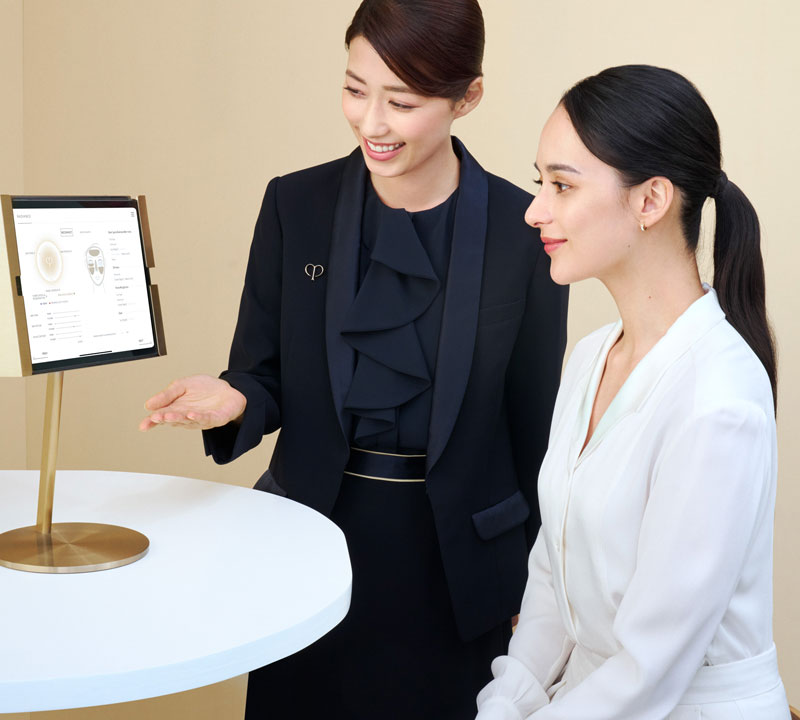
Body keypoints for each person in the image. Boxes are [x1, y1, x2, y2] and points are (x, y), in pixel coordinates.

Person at [139, 1, 568, 717]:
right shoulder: (294, 205)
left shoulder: (522, 230)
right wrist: (238, 397)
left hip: (458, 570)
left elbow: (535, 429)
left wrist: (538, 585)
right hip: (307, 546)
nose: (372, 122)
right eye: (354, 89)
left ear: (468, 97)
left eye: (401, 101)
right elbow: (263, 370)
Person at [475, 65, 787, 719]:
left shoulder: (717, 400)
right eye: (541, 183)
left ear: (650, 202)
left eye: (561, 185)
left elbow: (650, 669)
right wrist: (505, 703)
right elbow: (552, 576)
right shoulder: (592, 358)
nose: (535, 210)